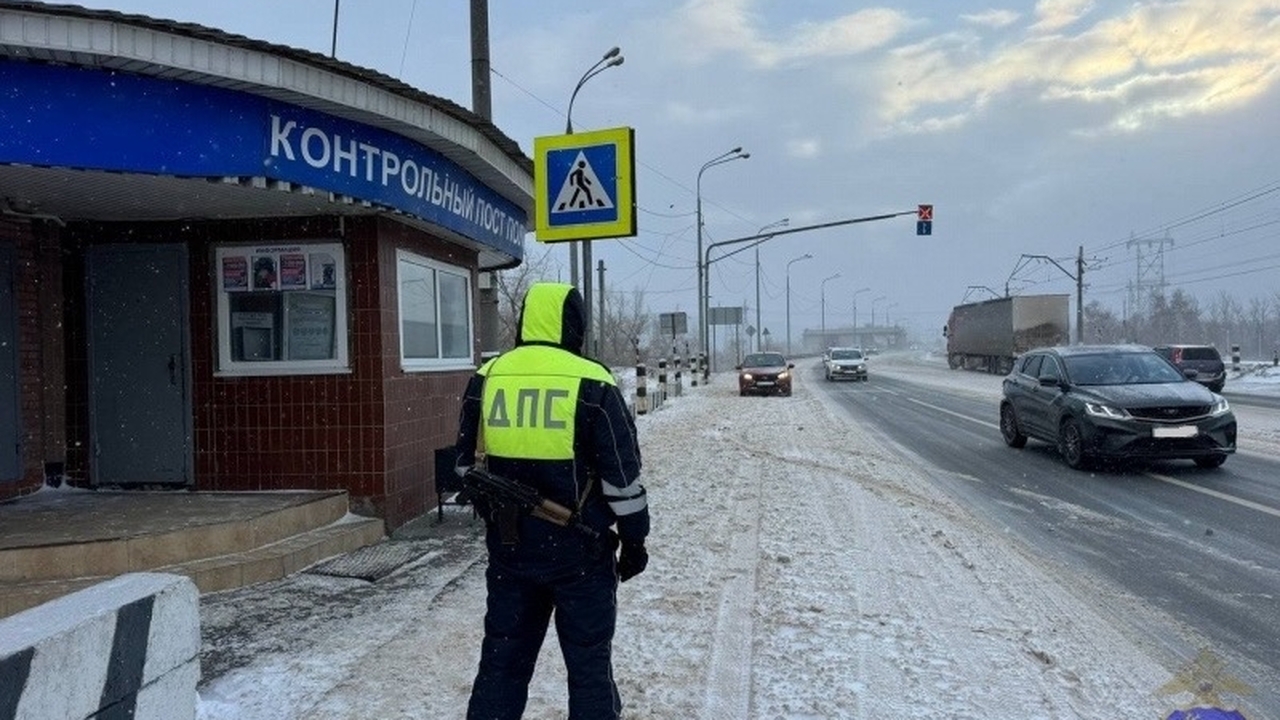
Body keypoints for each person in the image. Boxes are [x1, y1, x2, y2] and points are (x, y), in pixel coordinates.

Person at [453, 281, 650, 720]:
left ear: (525, 321)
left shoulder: (488, 377)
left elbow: (465, 468)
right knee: (589, 671)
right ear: (574, 326)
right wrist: (635, 541)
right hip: (581, 555)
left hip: (509, 554)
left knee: (501, 666)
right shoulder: (594, 382)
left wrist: (500, 516)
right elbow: (623, 480)